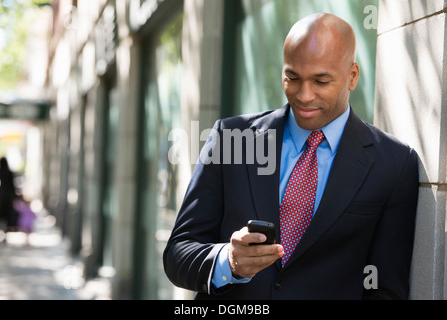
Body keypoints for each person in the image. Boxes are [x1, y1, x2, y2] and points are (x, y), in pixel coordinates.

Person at [163, 12, 419, 300]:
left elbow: (386, 289)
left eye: (321, 81)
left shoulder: (394, 164)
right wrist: (228, 261)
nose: (304, 95)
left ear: (352, 77)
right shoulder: (231, 139)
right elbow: (177, 254)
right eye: (292, 78)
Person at [0, 157, 18, 234]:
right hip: (9, 196)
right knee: (8, 213)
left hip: (2, 195)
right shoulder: (9, 172)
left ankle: (2, 228)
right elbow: (13, 185)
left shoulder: (0, 172)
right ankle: (6, 228)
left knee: (2, 213)